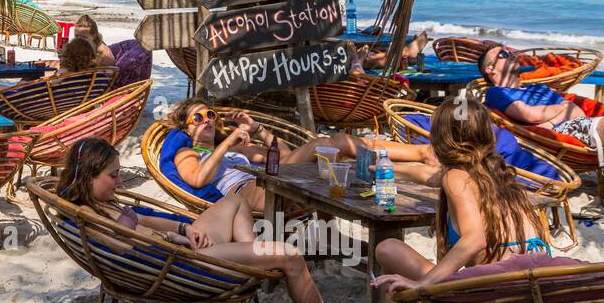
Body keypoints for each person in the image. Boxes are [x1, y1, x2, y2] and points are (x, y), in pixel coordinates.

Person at [57, 138, 363, 303]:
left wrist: (184, 228)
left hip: (172, 253)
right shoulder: (89, 217)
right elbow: (126, 244)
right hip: (176, 265)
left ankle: (250, 259)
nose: (119, 179)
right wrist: (172, 241)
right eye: (113, 174)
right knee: (291, 256)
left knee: (234, 200)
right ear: (88, 176)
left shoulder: (99, 203)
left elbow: (145, 221)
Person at [371, 97, 556, 295]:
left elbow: (475, 238)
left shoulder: (455, 177)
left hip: (493, 293)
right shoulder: (493, 170)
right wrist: (387, 168)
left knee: (387, 248)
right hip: (529, 286)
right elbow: (430, 176)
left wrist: (423, 283)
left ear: (441, 138)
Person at [163, 97, 440, 215]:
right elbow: (199, 179)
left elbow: (282, 157)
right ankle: (419, 160)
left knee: (339, 155)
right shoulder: (187, 153)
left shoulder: (237, 150)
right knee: (336, 153)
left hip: (277, 179)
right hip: (247, 193)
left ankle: (421, 167)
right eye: (197, 117)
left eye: (210, 115)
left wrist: (258, 130)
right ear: (186, 127)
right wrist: (230, 140)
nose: (207, 120)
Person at [478, 44, 604, 207]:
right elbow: (530, 115)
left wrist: (549, 118)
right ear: (490, 69)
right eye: (503, 54)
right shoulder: (497, 92)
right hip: (559, 135)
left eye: (511, 52)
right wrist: (561, 109)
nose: (511, 55)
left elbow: (576, 112)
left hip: (574, 125)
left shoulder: (538, 88)